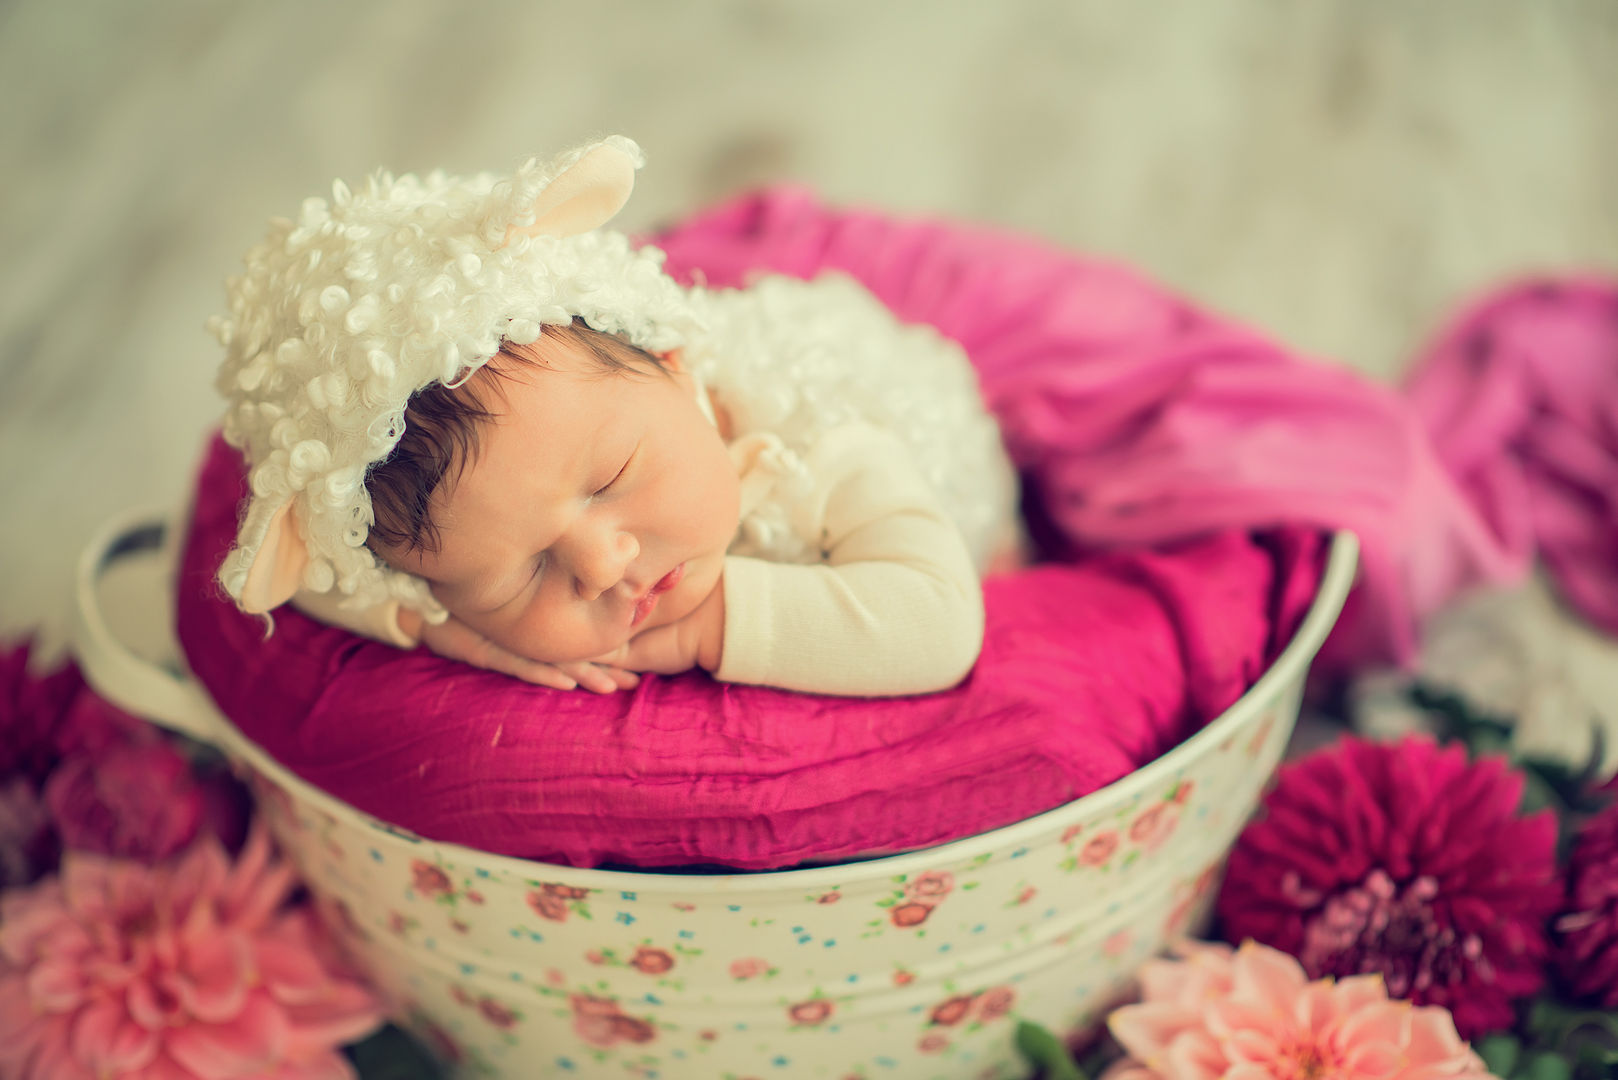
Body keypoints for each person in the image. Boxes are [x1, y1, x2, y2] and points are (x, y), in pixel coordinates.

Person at [213, 137, 1017, 697]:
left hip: (955, 497)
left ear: (674, 367)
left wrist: (706, 628)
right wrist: (434, 627)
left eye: (608, 481)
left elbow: (938, 627)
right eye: (517, 578)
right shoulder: (484, 515)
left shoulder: (817, 438)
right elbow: (317, 576)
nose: (600, 568)